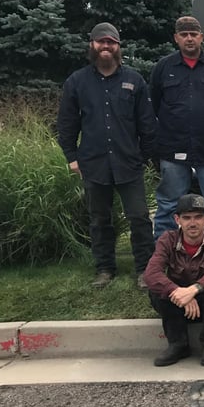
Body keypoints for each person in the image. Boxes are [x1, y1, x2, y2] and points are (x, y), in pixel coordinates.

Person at [57, 22, 156, 289]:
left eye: (111, 42)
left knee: (139, 217)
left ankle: (145, 269)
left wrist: (143, 157)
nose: (106, 46)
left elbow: (147, 124)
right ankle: (104, 269)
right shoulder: (77, 82)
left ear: (118, 47)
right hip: (93, 164)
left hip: (128, 164)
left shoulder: (134, 80)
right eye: (101, 42)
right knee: (99, 219)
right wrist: (71, 157)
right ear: (92, 45)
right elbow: (66, 124)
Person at [149, 16, 204, 240]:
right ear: (176, 38)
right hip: (173, 148)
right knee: (169, 204)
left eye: (193, 34)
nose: (189, 38)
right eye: (184, 34)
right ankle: (163, 253)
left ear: (201, 37)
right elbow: (155, 106)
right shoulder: (163, 68)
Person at [143, 194, 204, 367]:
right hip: (179, 303)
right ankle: (178, 344)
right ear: (177, 219)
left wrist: (194, 290)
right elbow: (151, 273)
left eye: (198, 217)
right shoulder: (167, 239)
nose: (192, 223)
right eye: (186, 218)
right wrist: (178, 292)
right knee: (157, 290)